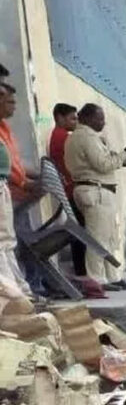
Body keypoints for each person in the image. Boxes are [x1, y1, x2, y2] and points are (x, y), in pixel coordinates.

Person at [64, 103, 126, 291]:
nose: (103, 122)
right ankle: (96, 280)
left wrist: (119, 158)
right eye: (100, 118)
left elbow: (99, 161)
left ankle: (112, 277)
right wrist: (124, 154)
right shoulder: (86, 137)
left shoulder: (79, 137)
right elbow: (103, 164)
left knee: (109, 237)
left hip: (95, 190)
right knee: (98, 239)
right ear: (87, 118)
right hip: (96, 191)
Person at [0, 84, 32, 295]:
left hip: (4, 186)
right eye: (9, 101)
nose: (13, 106)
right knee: (2, 240)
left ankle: (20, 290)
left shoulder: (4, 127)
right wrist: (23, 183)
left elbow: (14, 162)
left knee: (8, 240)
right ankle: (11, 293)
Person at [48, 103, 86, 276]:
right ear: (59, 118)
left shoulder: (58, 136)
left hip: (67, 188)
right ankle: (82, 270)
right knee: (82, 232)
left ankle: (81, 269)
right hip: (72, 188)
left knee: (79, 230)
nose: (75, 122)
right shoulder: (63, 137)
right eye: (72, 118)